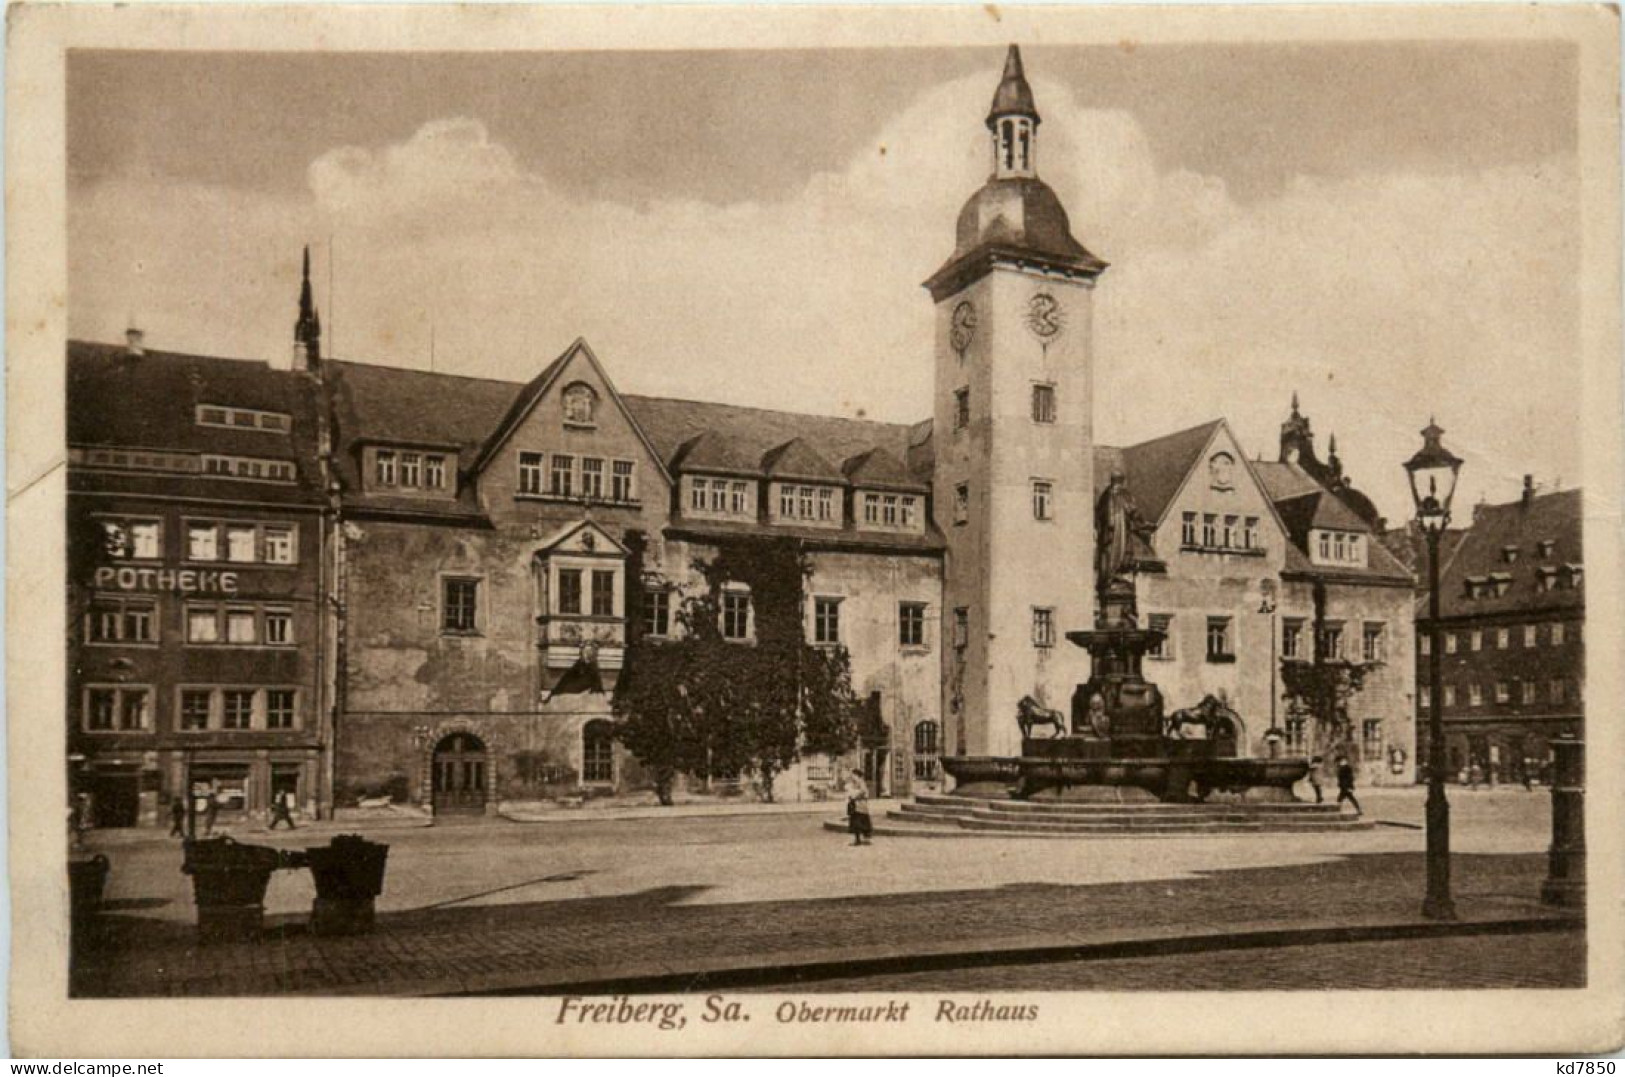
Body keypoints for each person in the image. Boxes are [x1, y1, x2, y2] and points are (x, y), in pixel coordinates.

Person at [845, 771, 873, 846]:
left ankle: (863, 839)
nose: (852, 777)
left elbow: (863, 792)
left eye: (854, 775)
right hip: (856, 806)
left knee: (860, 822)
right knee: (856, 823)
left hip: (860, 806)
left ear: (858, 776)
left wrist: (854, 795)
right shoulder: (854, 783)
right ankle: (858, 839)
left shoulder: (861, 782)